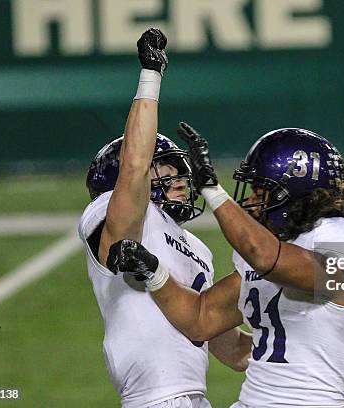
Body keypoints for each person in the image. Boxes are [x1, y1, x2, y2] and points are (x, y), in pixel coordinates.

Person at [109, 126, 344, 407]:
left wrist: (212, 190)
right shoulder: (268, 252)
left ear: (293, 194)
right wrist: (155, 272)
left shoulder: (341, 236)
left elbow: (267, 258)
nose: (251, 201)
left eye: (262, 192)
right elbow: (201, 319)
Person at [78, 28, 251, 408]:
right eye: (166, 172)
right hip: (153, 399)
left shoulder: (197, 247)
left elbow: (231, 349)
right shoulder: (115, 216)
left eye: (179, 171)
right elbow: (135, 165)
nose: (179, 180)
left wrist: (303, 336)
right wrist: (150, 76)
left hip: (194, 398)